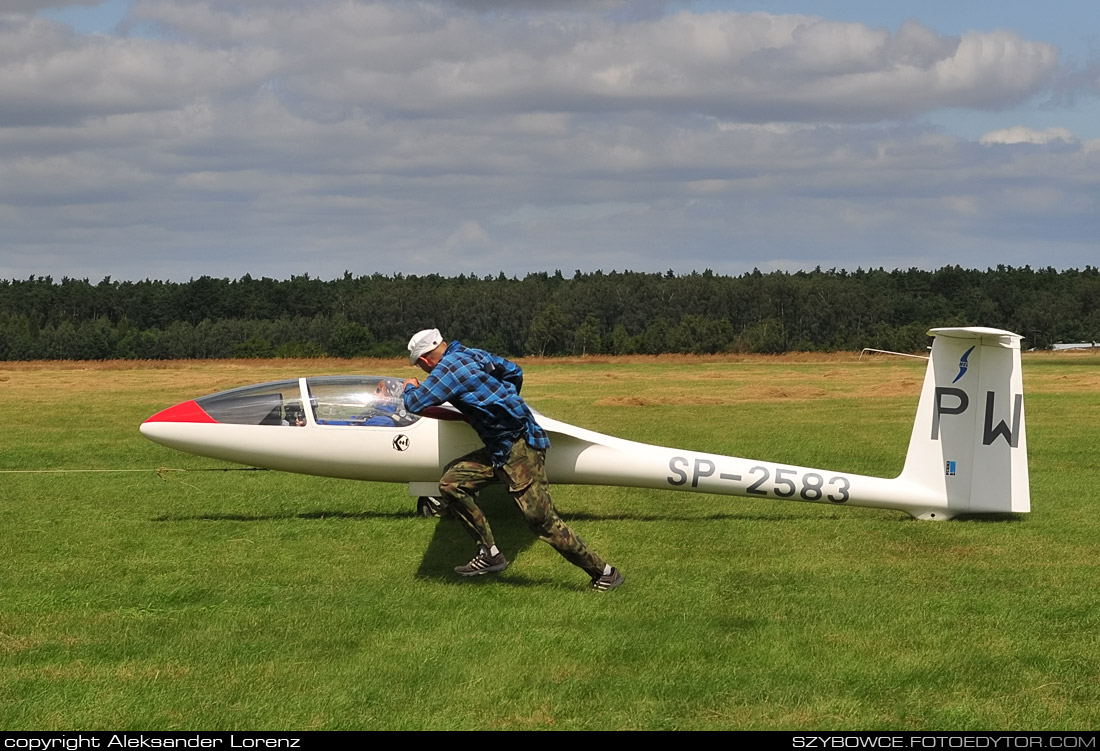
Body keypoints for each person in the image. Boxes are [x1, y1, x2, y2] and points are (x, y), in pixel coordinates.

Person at [402, 328, 624, 591]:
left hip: (519, 449)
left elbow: (415, 403)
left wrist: (409, 387)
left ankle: (604, 573)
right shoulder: (472, 355)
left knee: (542, 521)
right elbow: (513, 371)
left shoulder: (447, 370)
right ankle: (489, 553)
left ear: (425, 360)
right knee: (452, 482)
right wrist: (504, 400)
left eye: (420, 365)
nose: (424, 371)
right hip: (501, 447)